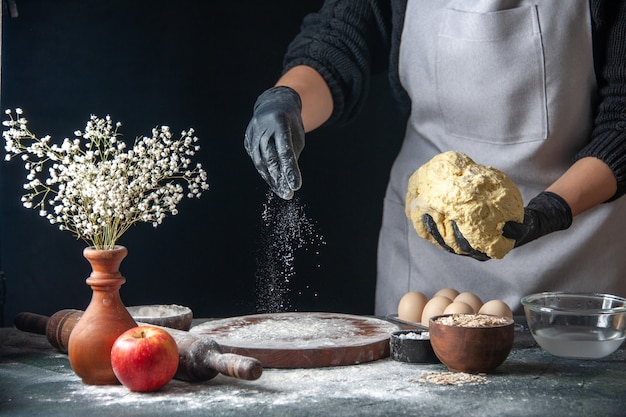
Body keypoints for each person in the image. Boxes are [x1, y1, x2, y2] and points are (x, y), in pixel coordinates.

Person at [244, 0, 626, 315]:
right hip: (430, 255)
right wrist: (288, 101)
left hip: (573, 258)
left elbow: (621, 121)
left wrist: (552, 209)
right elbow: (338, 40)